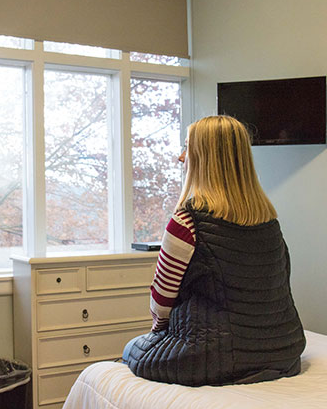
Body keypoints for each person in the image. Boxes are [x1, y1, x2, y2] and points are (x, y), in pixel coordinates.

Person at [122, 115, 306, 386]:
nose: (181, 157)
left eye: (187, 148)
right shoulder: (269, 221)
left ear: (203, 157)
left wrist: (159, 335)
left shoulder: (186, 223)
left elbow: (161, 304)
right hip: (282, 351)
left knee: (131, 350)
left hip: (213, 356)